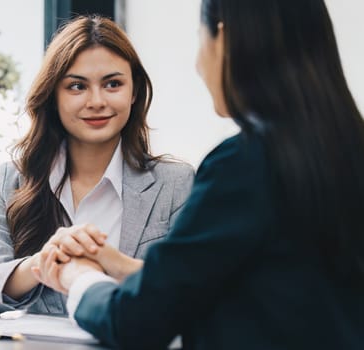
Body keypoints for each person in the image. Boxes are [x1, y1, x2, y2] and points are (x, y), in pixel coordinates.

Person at [33, 0, 364, 348]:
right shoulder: (347, 152)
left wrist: (79, 278)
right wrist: (116, 265)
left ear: (222, 38)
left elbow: (137, 320)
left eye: (200, 40)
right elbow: (240, 285)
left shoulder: (243, 165)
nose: (198, 65)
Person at [0, 15, 195, 316]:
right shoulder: (13, 179)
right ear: (53, 96)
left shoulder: (175, 183)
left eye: (113, 84)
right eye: (76, 86)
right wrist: (45, 261)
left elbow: (187, 292)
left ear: (133, 92)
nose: (96, 101)